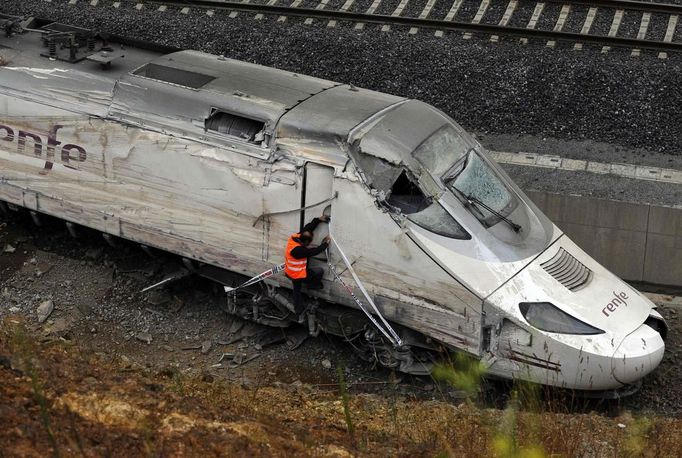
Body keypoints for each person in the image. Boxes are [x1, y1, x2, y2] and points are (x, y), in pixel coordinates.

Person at [284, 214, 331, 315]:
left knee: (297, 290)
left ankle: (299, 308)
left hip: (290, 271)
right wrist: (326, 244)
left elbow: (308, 228)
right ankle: (299, 309)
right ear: (306, 242)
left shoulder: (295, 237)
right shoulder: (299, 250)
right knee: (318, 272)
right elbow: (315, 251)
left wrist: (318, 219)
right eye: (309, 242)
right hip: (296, 275)